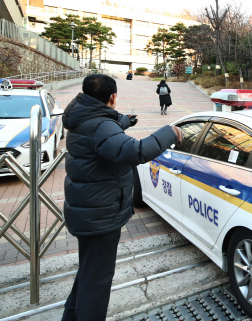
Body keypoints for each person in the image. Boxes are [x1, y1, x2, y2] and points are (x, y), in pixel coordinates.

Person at [61, 74, 183, 321]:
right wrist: (169, 133)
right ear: (113, 97)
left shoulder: (82, 115)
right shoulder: (100, 126)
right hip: (101, 214)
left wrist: (124, 121)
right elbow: (134, 151)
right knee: (97, 281)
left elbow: (105, 131)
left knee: (88, 273)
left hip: (87, 211)